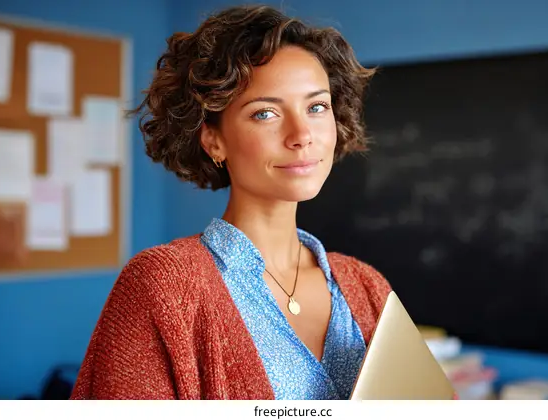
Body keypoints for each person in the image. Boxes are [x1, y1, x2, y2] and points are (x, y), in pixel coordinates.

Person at [70, 4, 392, 400]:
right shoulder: (163, 286)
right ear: (213, 140)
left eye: (316, 106)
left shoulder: (367, 286)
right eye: (266, 113)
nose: (301, 134)